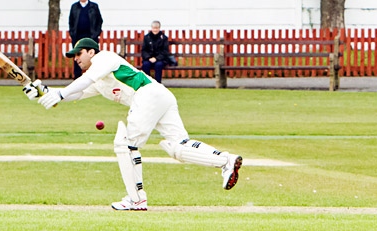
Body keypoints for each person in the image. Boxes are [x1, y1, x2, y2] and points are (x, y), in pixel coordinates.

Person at [22, 38, 242, 211]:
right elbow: (76, 93)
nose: (76, 59)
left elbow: (81, 83)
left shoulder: (104, 58)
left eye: (79, 54)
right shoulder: (99, 81)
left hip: (146, 95)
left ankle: (136, 199)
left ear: (91, 52)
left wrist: (59, 93)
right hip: (160, 96)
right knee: (177, 146)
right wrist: (44, 92)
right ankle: (226, 161)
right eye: (74, 56)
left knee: (126, 145)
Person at [68, 0, 103, 79]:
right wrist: (72, 34)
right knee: (78, 56)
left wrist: (96, 34)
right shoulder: (74, 7)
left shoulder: (94, 7)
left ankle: (94, 76)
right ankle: (77, 77)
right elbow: (71, 22)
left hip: (91, 37)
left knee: (93, 56)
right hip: (78, 37)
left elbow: (99, 21)